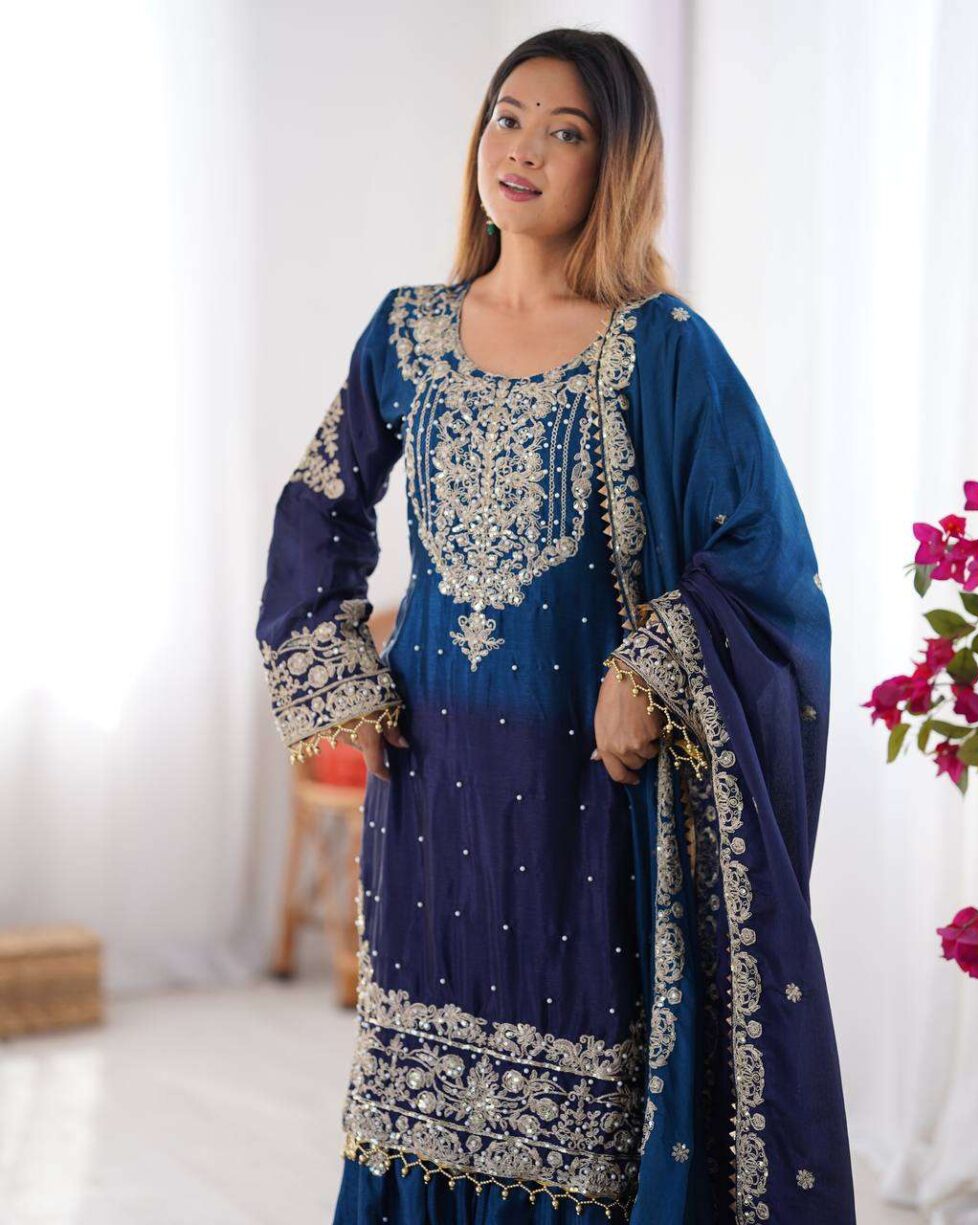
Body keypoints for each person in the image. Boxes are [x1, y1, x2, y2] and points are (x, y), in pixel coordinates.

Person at [255, 27, 856, 1225]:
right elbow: (319, 503)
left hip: (587, 797)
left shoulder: (659, 348)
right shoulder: (406, 330)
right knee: (417, 1101)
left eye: (563, 131)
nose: (521, 149)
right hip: (433, 787)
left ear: (611, 164)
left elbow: (763, 556)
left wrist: (654, 661)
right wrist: (338, 672)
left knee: (581, 1124)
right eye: (507, 116)